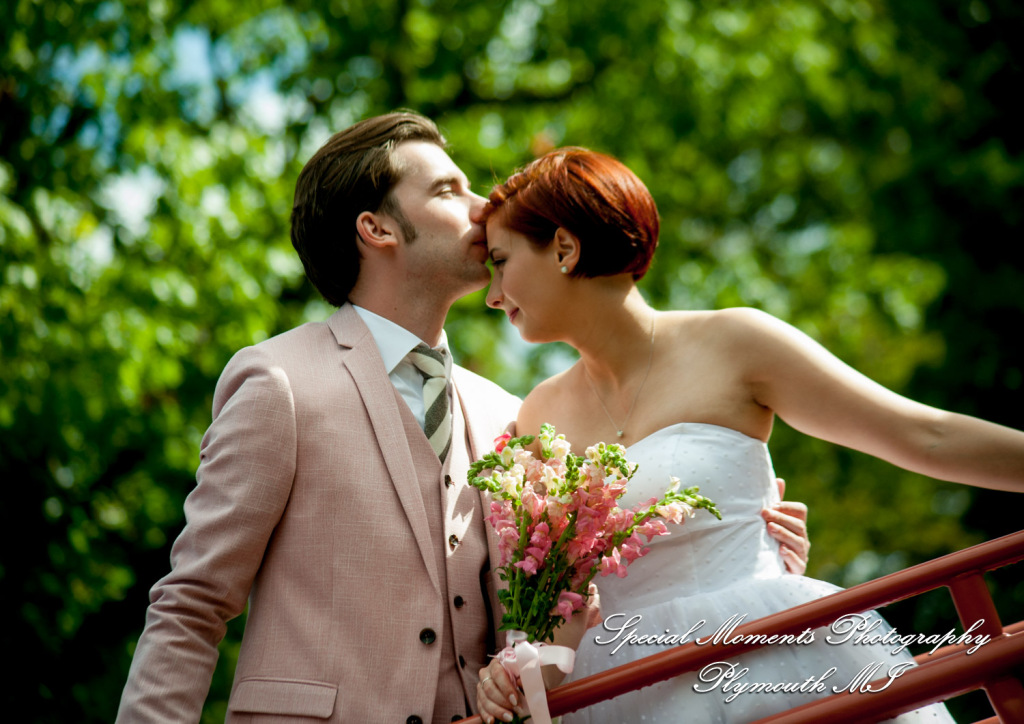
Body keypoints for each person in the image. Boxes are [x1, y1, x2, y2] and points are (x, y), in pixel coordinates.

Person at [116, 113, 809, 723]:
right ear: (377, 228)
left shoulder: (511, 413)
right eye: (449, 190)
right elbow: (192, 605)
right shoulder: (280, 382)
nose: (484, 209)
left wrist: (746, 556)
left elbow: (550, 617)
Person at [475, 147, 1024, 724]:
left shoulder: (736, 343)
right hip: (628, 690)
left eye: (501, 260)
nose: (491, 293)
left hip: (779, 655)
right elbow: (548, 598)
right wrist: (522, 665)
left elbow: (924, 435)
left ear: (563, 248)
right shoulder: (540, 417)